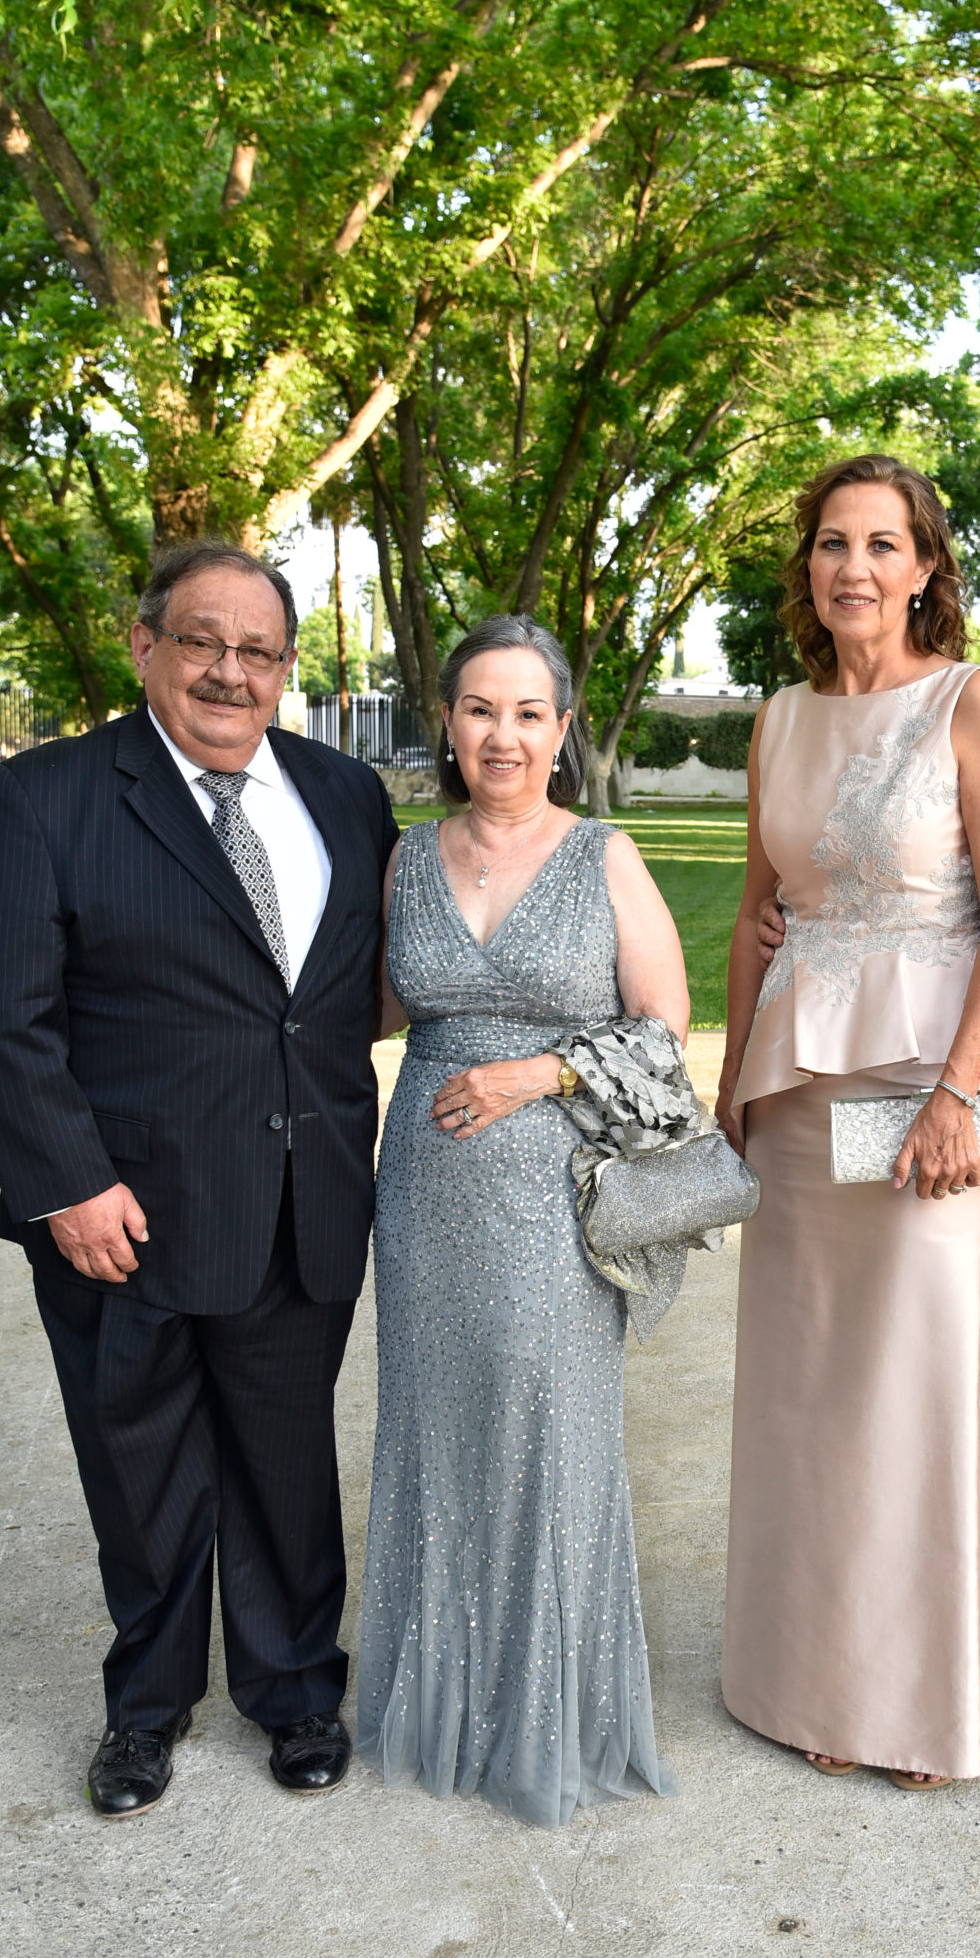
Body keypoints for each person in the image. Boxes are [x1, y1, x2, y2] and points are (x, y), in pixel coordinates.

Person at [0, 542, 400, 1816]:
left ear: (287, 671)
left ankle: (297, 1688)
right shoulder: (48, 796)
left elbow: (352, 990)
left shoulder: (345, 794)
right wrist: (67, 1182)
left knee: (283, 1460)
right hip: (122, 1216)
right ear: (144, 644)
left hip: (302, 1200)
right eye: (201, 639)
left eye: (258, 650)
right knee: (140, 1472)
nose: (228, 671)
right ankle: (144, 1711)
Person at [716, 455, 980, 1791]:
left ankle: (920, 1706)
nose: (853, 567)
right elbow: (754, 912)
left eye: (882, 545)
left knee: (913, 1395)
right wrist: (730, 1090)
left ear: (924, 568)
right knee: (801, 1393)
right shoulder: (778, 719)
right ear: (809, 567)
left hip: (928, 1104)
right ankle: (801, 1683)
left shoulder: (971, 701)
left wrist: (963, 1092)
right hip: (798, 1106)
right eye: (832, 544)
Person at [357, 614, 691, 1827]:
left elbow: (662, 1033)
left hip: (554, 1195)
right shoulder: (402, 857)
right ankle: (439, 1701)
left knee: (546, 1426)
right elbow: (377, 1009)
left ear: (560, 730)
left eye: (527, 712)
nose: (502, 734)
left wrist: (533, 1075)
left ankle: (551, 1714)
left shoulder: (603, 853)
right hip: (426, 1194)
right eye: (480, 709)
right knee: (433, 1427)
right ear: (447, 723)